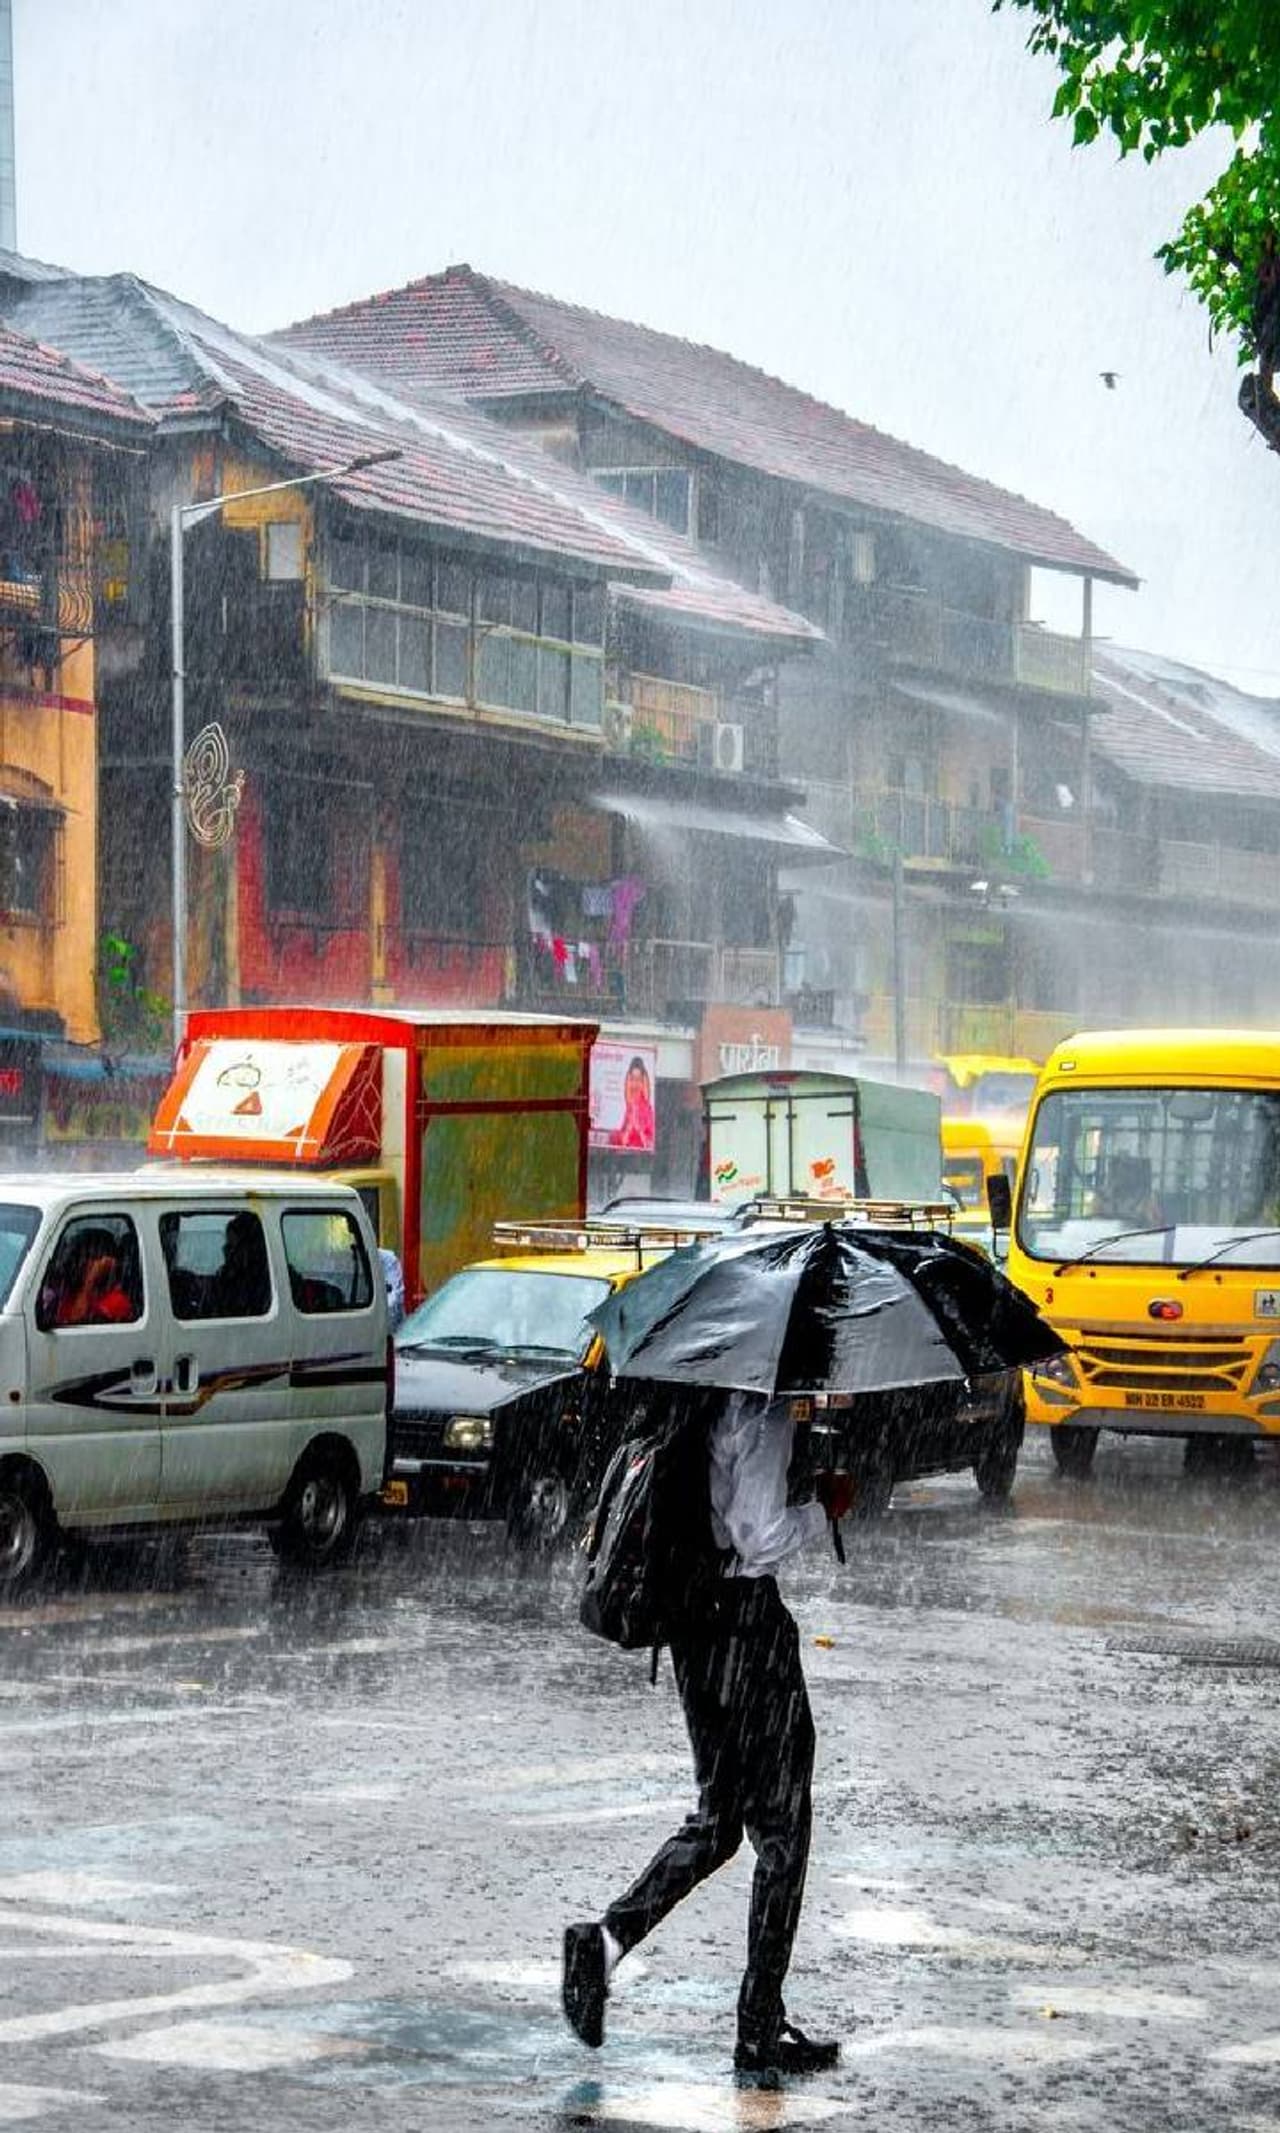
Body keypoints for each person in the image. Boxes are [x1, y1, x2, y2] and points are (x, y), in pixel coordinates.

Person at [561, 1389, 850, 2076]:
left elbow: (719, 1510)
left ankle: (602, 1943)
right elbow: (761, 1537)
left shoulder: (691, 1405)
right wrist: (824, 1506)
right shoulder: (762, 1413)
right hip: (747, 1628)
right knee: (783, 1831)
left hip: (694, 1625)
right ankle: (757, 2027)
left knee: (720, 1820)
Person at [48, 1229, 136, 1327]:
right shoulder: (74, 1295)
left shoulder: (117, 1301)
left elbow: (76, 1323)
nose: (80, 1265)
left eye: (85, 1259)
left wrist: (90, 1279)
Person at [608, 1056, 655, 1152]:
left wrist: (638, 1129)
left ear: (643, 1083)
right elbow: (621, 1142)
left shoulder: (647, 1110)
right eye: (632, 1079)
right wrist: (628, 1129)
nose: (634, 1085)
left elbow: (649, 1144)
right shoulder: (629, 1108)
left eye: (638, 1080)